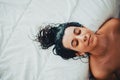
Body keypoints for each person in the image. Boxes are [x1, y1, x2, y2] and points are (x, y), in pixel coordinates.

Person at [37, 18, 120, 80]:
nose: (83, 37)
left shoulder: (113, 26)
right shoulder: (100, 71)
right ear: (79, 53)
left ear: (84, 27)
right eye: (76, 43)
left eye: (78, 32)